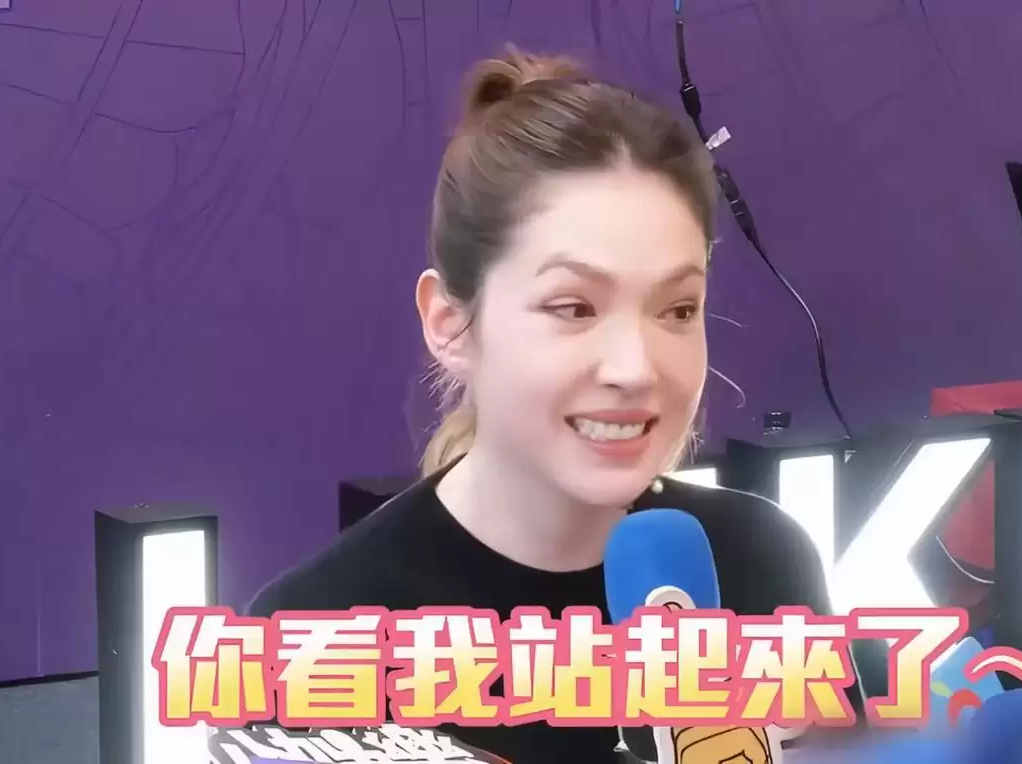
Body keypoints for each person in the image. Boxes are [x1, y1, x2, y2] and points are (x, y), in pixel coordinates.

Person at [248, 45, 832, 764]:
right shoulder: (316, 633)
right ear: (449, 323)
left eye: (678, 309)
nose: (635, 367)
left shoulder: (759, 558)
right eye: (574, 307)